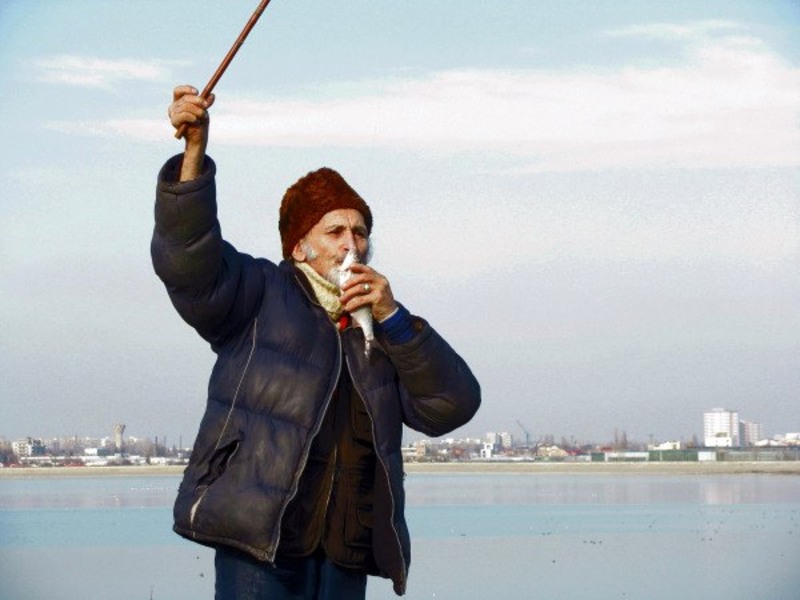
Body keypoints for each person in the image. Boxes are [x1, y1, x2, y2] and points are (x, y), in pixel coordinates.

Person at [151, 85, 481, 599]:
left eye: (361, 231)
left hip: (345, 550)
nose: (353, 244)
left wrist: (394, 318)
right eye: (335, 231)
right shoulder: (259, 291)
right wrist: (194, 156)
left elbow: (451, 405)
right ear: (300, 246)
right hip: (261, 544)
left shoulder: (380, 328)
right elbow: (187, 258)